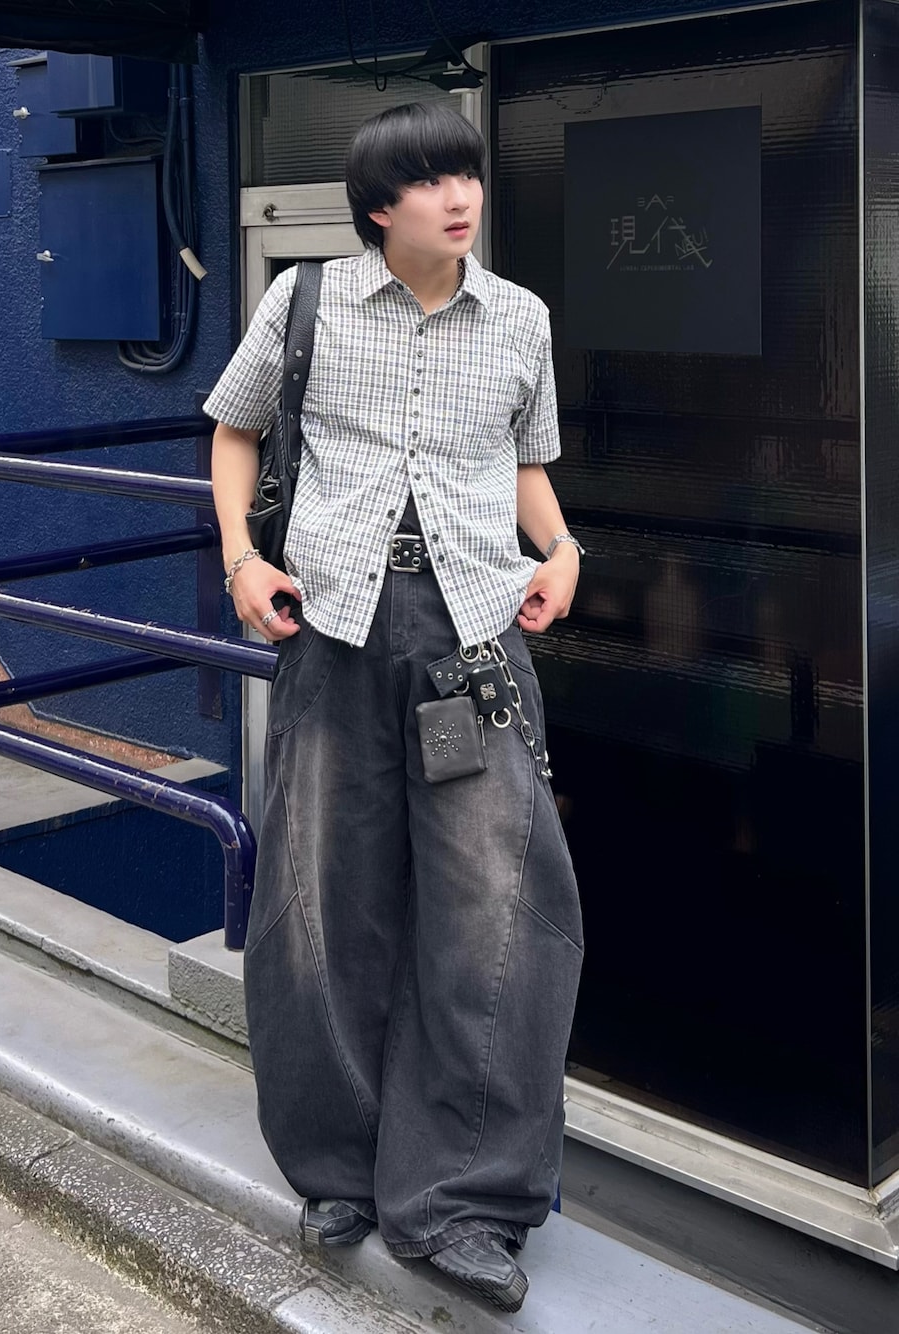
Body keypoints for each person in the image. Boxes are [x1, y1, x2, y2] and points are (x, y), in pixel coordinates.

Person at [204, 101, 584, 1315]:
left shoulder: (519, 317)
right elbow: (233, 429)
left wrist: (562, 547)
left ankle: (463, 1197)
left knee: (500, 908)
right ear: (378, 207)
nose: (459, 196)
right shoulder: (305, 302)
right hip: (332, 626)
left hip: (471, 636)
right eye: (429, 181)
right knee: (322, 894)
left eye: (465, 174)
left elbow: (524, 463)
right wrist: (240, 559)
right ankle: (337, 1166)